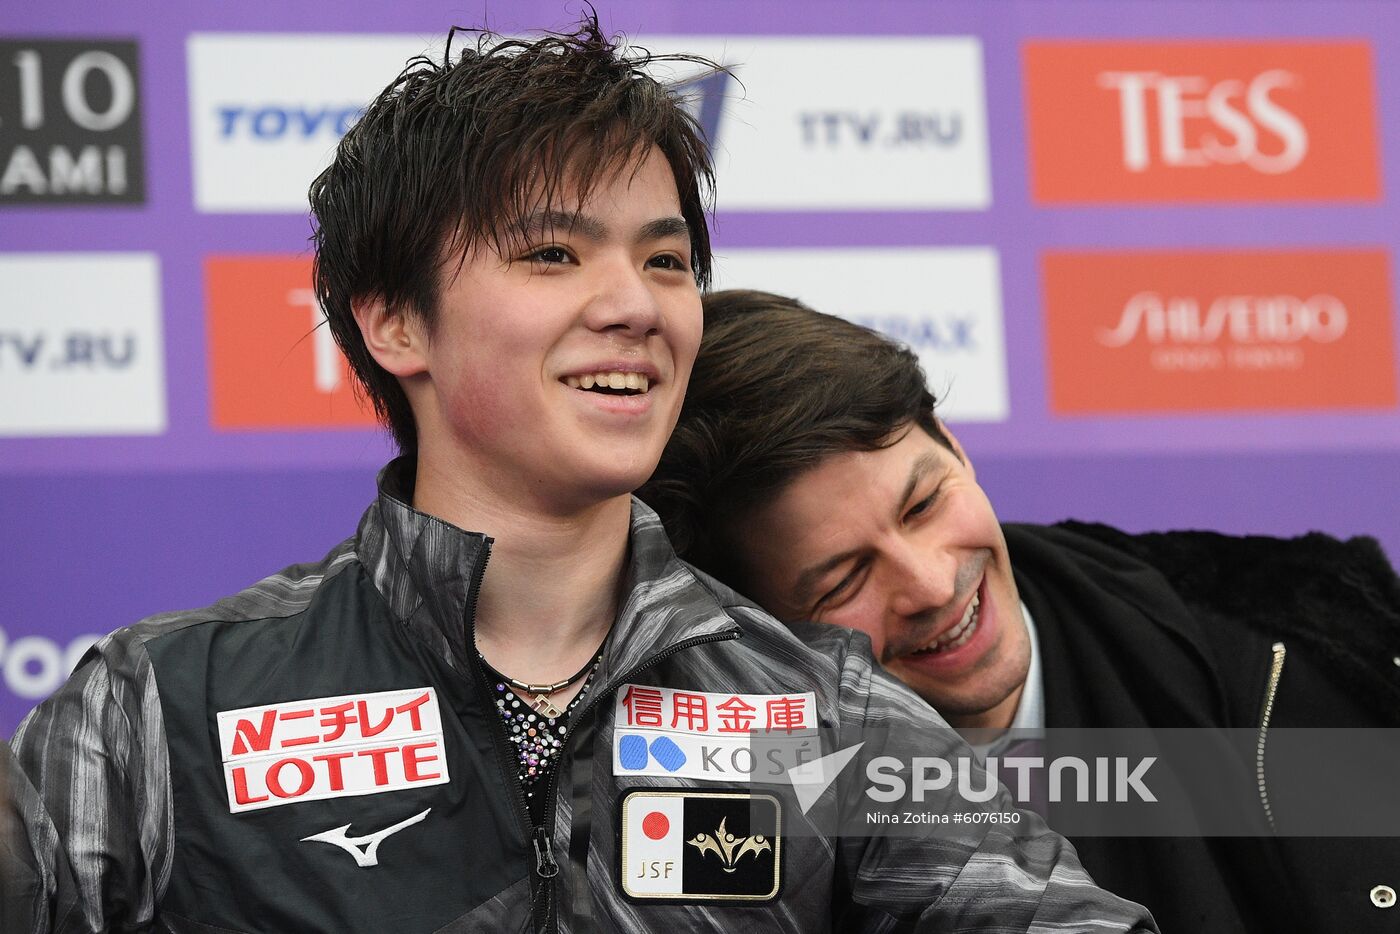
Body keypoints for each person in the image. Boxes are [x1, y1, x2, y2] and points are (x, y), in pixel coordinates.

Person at [1, 21, 1157, 934]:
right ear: (394, 322)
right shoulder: (161, 707)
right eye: (552, 253)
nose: (634, 303)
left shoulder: (825, 713)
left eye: (664, 258)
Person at [641, 288, 1400, 934]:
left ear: (957, 448)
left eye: (925, 503)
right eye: (844, 582)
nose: (933, 585)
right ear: (754, 632)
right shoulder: (723, 804)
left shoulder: (1300, 637)